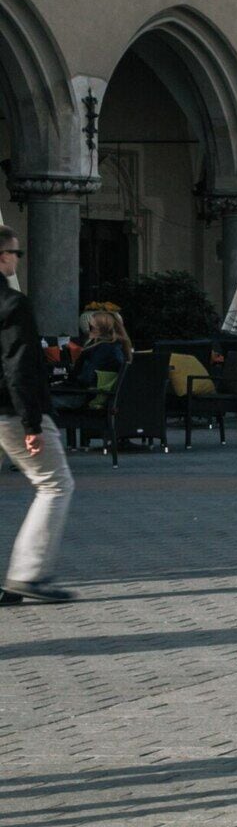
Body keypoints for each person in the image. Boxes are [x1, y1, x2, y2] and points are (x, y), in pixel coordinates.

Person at [0, 229, 69, 605]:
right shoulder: (13, 303)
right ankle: (27, 574)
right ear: (2, 257)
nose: (17, 259)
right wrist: (32, 424)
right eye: (16, 252)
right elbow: (20, 366)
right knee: (56, 485)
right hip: (10, 411)